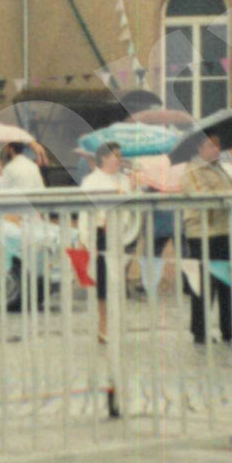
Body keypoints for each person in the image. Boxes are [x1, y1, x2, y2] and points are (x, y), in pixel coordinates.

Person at [180, 133, 232, 345]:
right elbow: (202, 195)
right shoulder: (192, 170)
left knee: (228, 283)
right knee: (203, 284)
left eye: (218, 146)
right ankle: (200, 331)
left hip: (225, 230)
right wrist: (230, 192)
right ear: (200, 149)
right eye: (211, 146)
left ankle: (231, 329)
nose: (216, 150)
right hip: (203, 232)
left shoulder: (223, 169)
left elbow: (230, 197)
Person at [79, 142, 139, 343]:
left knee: (117, 282)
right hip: (100, 236)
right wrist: (87, 241)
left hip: (120, 236)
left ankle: (116, 323)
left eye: (121, 156)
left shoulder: (123, 180)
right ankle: (103, 324)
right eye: (116, 156)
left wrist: (135, 187)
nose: (119, 160)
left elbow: (133, 208)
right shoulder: (91, 181)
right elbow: (84, 215)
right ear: (104, 158)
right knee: (103, 285)